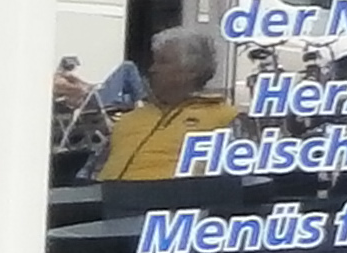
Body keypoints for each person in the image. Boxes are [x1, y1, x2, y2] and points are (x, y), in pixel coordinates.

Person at [95, 25, 241, 184]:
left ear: (192, 70)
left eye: (162, 62)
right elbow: (88, 177)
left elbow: (236, 182)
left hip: (169, 203)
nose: (152, 69)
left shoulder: (226, 119)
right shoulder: (128, 121)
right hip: (105, 203)